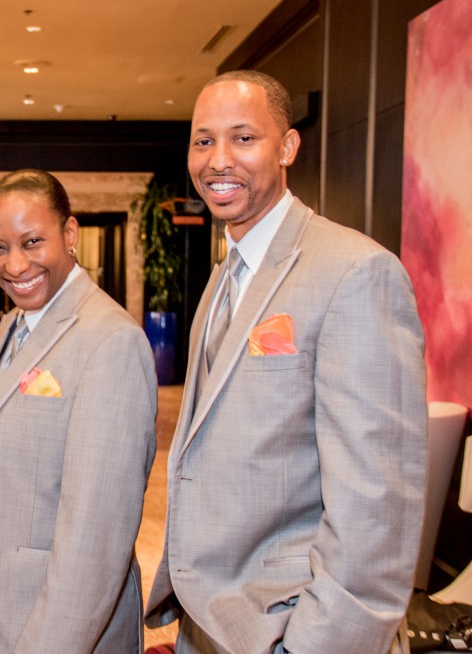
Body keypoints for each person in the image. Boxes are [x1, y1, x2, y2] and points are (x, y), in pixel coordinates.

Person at [144, 70, 427, 653]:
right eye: (203, 141)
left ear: (288, 146)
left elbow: (378, 510)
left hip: (291, 629)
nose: (218, 160)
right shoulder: (224, 277)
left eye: (243, 138)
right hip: (212, 623)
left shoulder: (356, 272)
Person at [0, 169, 158, 653]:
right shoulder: (8, 328)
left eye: (32, 242)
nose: (15, 264)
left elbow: (95, 540)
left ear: (70, 234)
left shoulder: (111, 341)